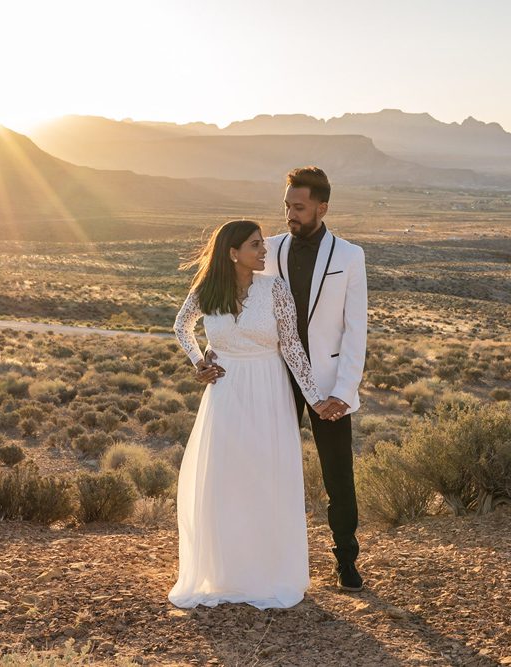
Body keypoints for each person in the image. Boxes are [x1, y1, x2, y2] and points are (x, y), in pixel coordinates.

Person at [198, 167, 368, 592]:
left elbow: (355, 330)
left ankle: (345, 559)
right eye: (286, 205)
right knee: (263, 470)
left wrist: (344, 392)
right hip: (272, 379)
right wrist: (209, 352)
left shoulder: (350, 256)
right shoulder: (264, 248)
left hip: (327, 384)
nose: (289, 213)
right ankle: (261, 559)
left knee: (338, 476)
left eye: (298, 206)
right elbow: (228, 303)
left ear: (321, 207)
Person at [169, 219, 339, 609]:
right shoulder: (208, 290)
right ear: (233, 253)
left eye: (262, 244)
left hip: (269, 389)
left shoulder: (275, 289)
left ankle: (268, 572)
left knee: (266, 476)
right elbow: (182, 326)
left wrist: (315, 399)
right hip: (226, 390)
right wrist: (199, 362)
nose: (265, 251)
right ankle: (226, 572)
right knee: (226, 478)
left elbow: (293, 347)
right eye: (255, 245)